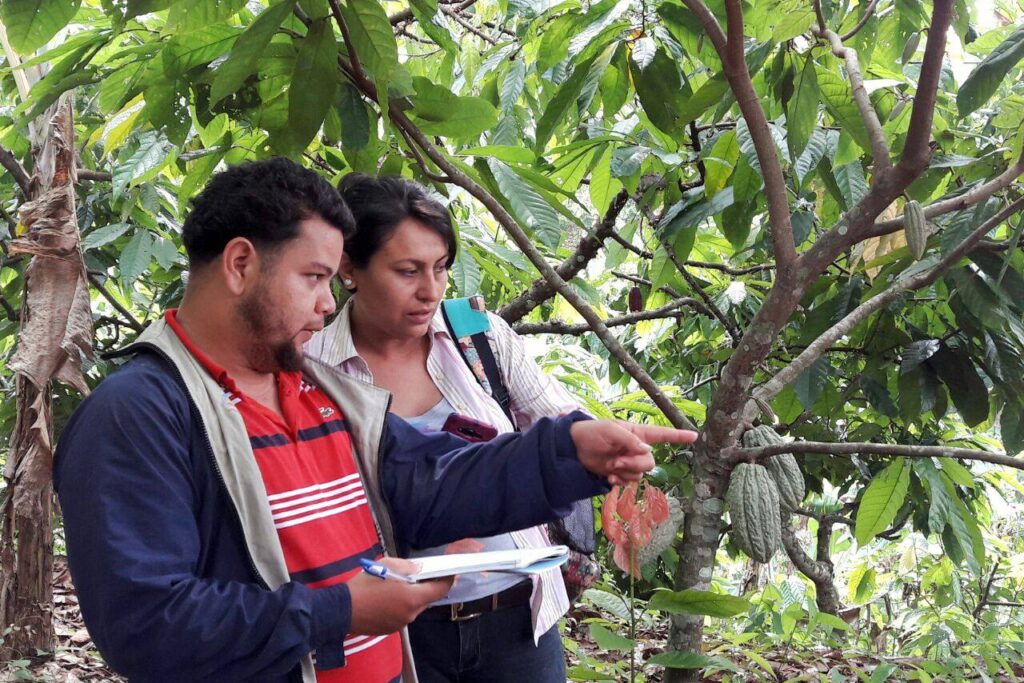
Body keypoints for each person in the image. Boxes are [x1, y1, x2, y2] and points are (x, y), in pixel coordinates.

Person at [53, 157, 697, 683]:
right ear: (241, 264)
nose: (326, 303)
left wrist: (569, 450)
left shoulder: (319, 392)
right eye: (313, 277)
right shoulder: (139, 416)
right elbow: (148, 624)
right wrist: (341, 612)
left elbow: (429, 479)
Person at [304, 174, 592, 683]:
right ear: (349, 267)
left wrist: (594, 450)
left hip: (516, 619)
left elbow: (564, 425)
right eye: (408, 271)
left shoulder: (476, 336)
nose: (430, 290)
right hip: (396, 631)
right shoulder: (313, 368)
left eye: (440, 268)